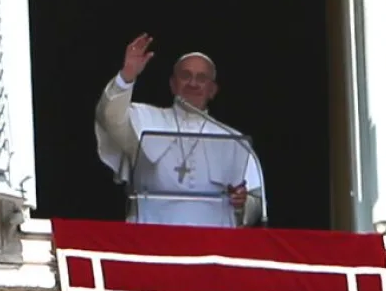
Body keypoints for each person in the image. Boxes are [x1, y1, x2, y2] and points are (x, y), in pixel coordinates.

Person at [95, 33, 264, 227]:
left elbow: (255, 200)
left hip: (212, 243)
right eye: (185, 76)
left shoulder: (234, 139)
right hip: (151, 234)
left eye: (201, 78)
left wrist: (242, 204)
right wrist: (127, 76)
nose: (193, 83)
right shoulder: (145, 118)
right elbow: (110, 117)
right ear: (173, 84)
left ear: (212, 90)